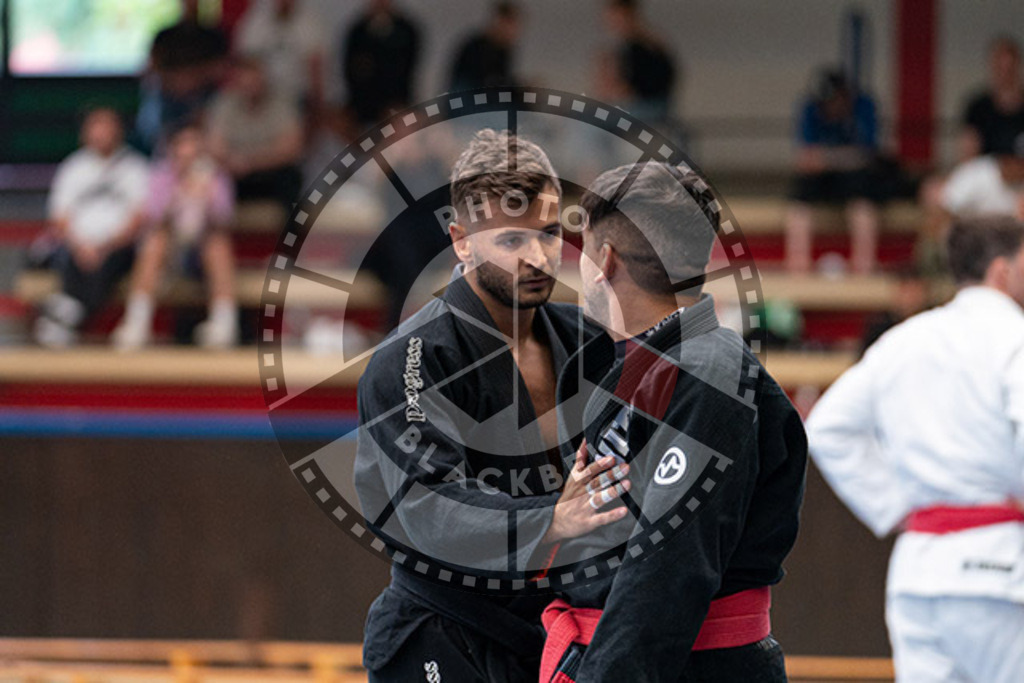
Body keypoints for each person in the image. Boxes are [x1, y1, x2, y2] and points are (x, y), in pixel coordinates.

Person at [354, 130, 630, 683]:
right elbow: (425, 508)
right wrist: (550, 518)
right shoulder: (410, 359)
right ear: (461, 241)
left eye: (549, 234)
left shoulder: (587, 342)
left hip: (552, 630)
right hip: (442, 630)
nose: (537, 257)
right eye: (510, 241)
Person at [541, 162, 807, 682]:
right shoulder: (649, 365)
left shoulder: (711, 376)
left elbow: (667, 570)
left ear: (604, 260)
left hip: (690, 665)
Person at [807, 216, 1024, 683]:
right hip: (999, 567)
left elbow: (825, 427)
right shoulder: (1015, 337)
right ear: (1003, 270)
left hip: (918, 567)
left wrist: (896, 505)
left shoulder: (904, 340)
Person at [112, 124, 238, 350]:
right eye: (183, 144)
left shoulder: (216, 176)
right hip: (167, 258)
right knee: (155, 241)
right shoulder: (160, 175)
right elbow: (153, 218)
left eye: (194, 144)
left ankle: (224, 325)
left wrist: (206, 196)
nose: (188, 151)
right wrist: (178, 194)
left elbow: (224, 220)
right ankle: (137, 324)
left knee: (217, 244)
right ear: (173, 149)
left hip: (200, 257)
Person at [34, 108, 150, 348]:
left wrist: (106, 246)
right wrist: (81, 246)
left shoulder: (136, 168)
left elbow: (140, 218)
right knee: (66, 255)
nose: (101, 133)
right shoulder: (73, 167)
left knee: (109, 262)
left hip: (118, 246)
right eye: (95, 126)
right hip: (77, 245)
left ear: (118, 130)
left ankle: (66, 313)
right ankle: (69, 313)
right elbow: (59, 217)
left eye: (106, 126)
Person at [785, 69, 882, 274]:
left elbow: (867, 155)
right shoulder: (811, 108)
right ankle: (798, 269)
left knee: (863, 203)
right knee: (798, 204)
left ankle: (863, 269)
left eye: (833, 100)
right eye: (824, 102)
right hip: (821, 178)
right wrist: (839, 158)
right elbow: (805, 159)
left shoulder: (863, 106)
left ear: (845, 96)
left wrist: (827, 158)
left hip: (855, 178)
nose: (829, 108)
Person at [206, 56, 305, 211]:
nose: (250, 86)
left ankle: (293, 234)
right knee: (212, 181)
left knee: (291, 180)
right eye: (244, 81)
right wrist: (234, 162)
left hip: (272, 173)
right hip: (236, 173)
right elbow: (215, 147)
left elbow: (291, 149)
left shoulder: (282, 103)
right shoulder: (225, 103)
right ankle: (217, 233)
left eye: (254, 80)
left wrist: (251, 162)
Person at [134, 0, 229, 155]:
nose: (190, 5)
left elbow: (222, 68)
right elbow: (148, 69)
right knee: (151, 90)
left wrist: (193, 78)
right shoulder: (165, 35)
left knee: (221, 101)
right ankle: (157, 152)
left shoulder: (212, 35)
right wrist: (175, 80)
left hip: (203, 95)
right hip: (167, 94)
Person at [234, 0, 326, 117]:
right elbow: (244, 59)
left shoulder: (309, 22)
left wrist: (318, 104)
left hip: (296, 95)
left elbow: (316, 66)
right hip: (262, 93)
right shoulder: (257, 20)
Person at [341, 0, 421, 127]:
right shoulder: (358, 32)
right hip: (361, 105)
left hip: (395, 105)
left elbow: (406, 74)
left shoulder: (406, 31)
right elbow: (351, 72)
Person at [961, 36, 1024, 161]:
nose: (1005, 74)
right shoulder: (978, 107)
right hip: (987, 174)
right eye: (1000, 68)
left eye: (1009, 68)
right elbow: (968, 153)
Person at [942, 137, 1024, 219]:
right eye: (1019, 163)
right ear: (1005, 159)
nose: (1021, 168)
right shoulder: (975, 174)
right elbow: (946, 208)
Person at [449, 2, 522, 92]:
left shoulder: (503, 51)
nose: (512, 32)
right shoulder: (476, 48)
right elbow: (486, 82)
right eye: (509, 25)